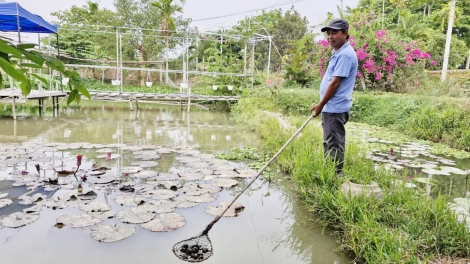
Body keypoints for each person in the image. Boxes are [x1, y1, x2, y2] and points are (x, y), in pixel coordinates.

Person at [310, 18, 358, 175]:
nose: (330, 37)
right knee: (330, 142)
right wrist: (322, 104)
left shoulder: (345, 55)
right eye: (328, 34)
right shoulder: (338, 52)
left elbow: (335, 83)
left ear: (345, 33)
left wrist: (321, 105)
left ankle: (335, 177)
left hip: (335, 108)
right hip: (332, 106)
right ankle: (329, 172)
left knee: (334, 144)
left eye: (334, 33)